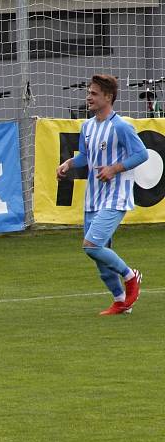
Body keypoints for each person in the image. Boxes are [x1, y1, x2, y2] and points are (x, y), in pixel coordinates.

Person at [55, 74, 148, 315]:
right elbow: (86, 157)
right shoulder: (87, 126)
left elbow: (141, 154)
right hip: (93, 198)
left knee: (91, 245)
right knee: (99, 256)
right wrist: (68, 163)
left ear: (108, 97)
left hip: (116, 197)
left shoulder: (121, 126)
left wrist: (114, 168)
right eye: (89, 92)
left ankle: (130, 276)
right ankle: (120, 301)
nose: (89, 97)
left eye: (94, 93)